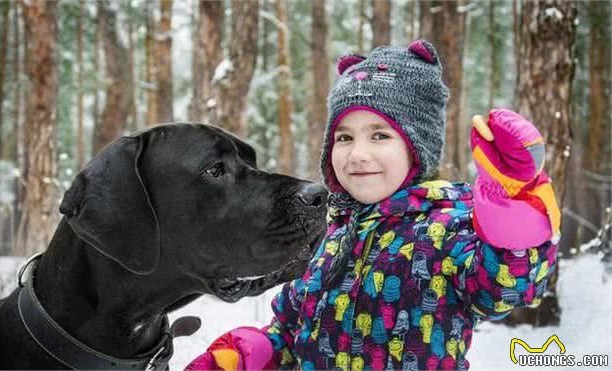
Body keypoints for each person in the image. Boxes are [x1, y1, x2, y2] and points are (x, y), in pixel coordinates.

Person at [186, 40, 561, 371]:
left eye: (379, 135)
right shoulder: (327, 231)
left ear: (416, 148)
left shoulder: (449, 227)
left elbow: (505, 285)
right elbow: (291, 329)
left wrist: (511, 207)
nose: (357, 154)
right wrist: (253, 353)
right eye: (344, 137)